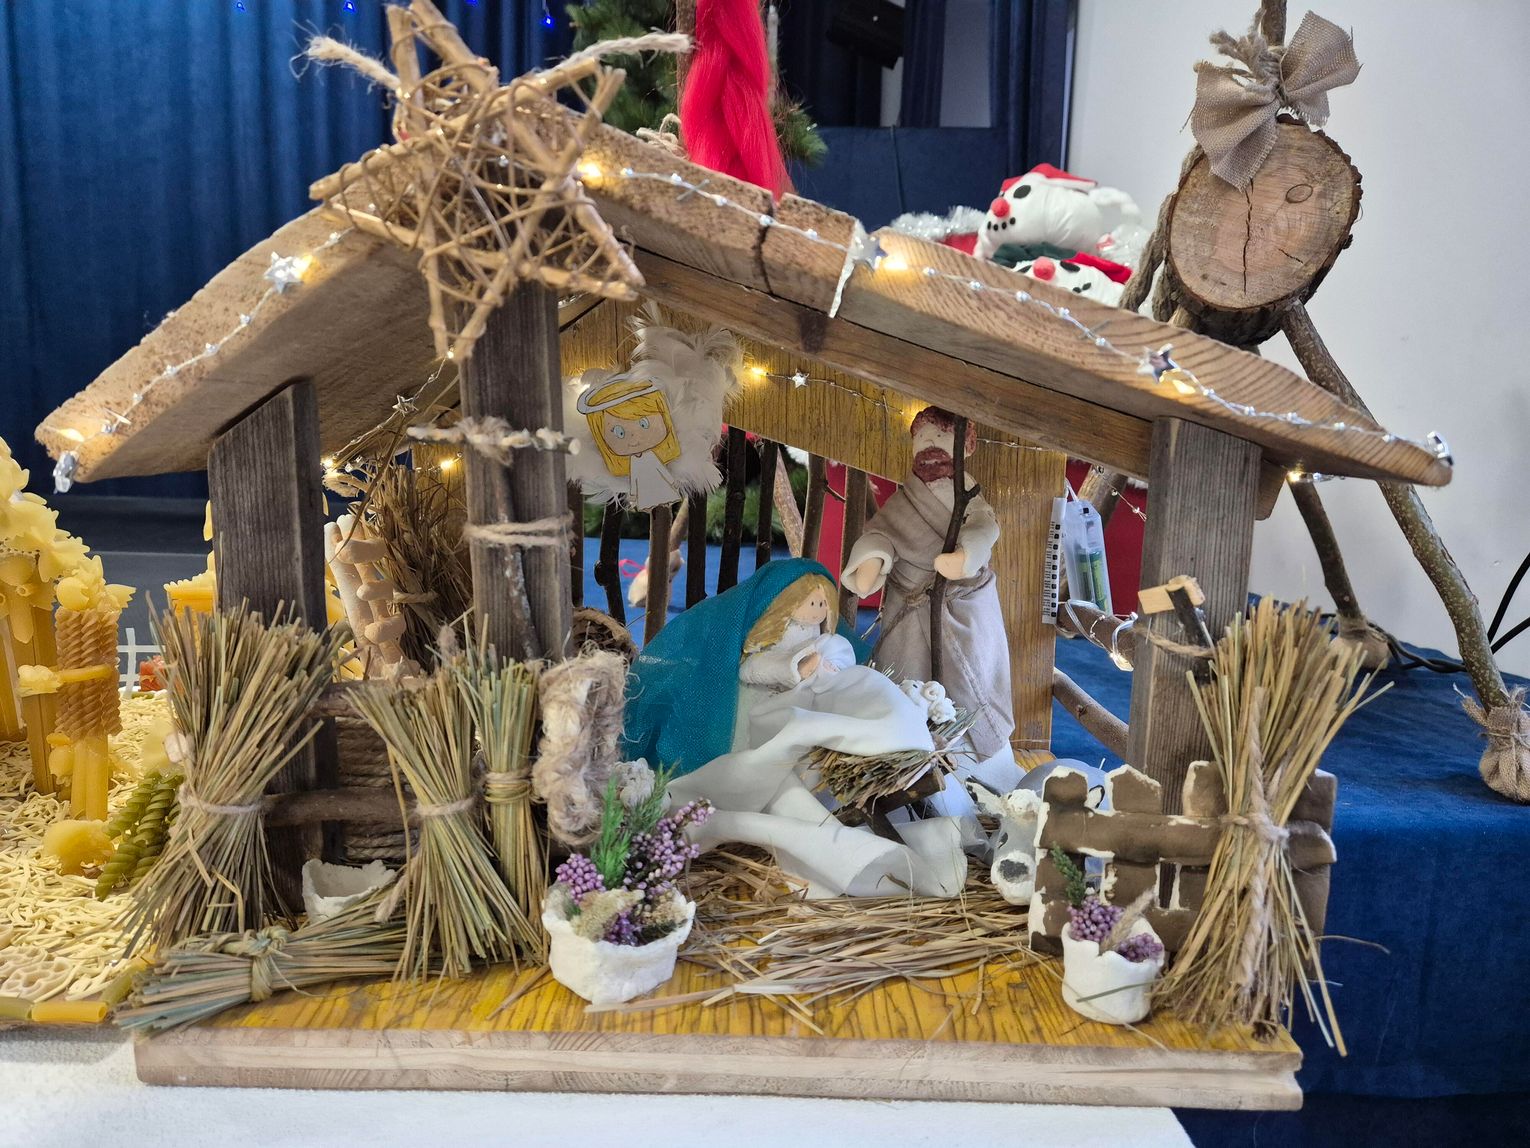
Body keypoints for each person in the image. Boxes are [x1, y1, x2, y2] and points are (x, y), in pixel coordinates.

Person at [622, 558, 966, 898]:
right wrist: (795, 668)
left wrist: (830, 665)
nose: (817, 610)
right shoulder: (766, 640)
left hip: (812, 699)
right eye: (808, 601)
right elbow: (754, 668)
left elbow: (839, 654)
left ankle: (891, 735)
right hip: (770, 706)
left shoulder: (823, 637)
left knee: (860, 691)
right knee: (774, 744)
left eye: (822, 602)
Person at [843, 406, 1019, 793]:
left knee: (974, 679)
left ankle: (976, 763)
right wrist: (872, 559)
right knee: (906, 680)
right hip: (909, 604)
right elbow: (882, 532)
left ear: (965, 447)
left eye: (939, 438)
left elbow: (984, 528)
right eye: (922, 439)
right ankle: (908, 757)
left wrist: (965, 557)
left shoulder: (970, 497)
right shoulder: (906, 499)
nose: (929, 446)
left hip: (964, 602)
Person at [576, 373, 682, 510]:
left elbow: (661, 472)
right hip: (645, 490)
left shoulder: (651, 458)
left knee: (662, 495)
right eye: (619, 432)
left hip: (660, 485)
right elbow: (636, 479)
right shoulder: (634, 463)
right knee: (649, 499)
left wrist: (672, 482)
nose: (634, 437)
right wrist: (633, 494)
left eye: (644, 424)